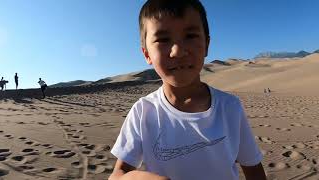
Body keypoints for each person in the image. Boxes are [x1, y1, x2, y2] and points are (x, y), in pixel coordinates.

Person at [109, 0, 266, 180]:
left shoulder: (230, 107)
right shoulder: (143, 112)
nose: (178, 51)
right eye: (163, 39)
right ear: (147, 54)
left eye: (190, 36)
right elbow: (118, 174)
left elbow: (253, 168)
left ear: (207, 45)